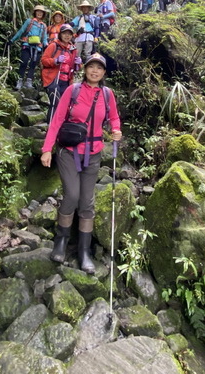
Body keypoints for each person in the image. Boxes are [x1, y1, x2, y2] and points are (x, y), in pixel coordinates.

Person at [40, 53, 122, 274]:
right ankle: (61, 241)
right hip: (69, 152)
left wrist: (116, 130)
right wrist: (47, 149)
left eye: (99, 68)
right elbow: (57, 119)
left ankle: (84, 251)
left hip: (93, 153)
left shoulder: (107, 94)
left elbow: (114, 117)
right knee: (73, 196)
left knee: (87, 202)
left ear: (104, 73)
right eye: (91, 67)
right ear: (85, 70)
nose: (95, 71)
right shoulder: (72, 90)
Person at [41, 24, 82, 122]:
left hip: (66, 81)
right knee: (55, 102)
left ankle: (59, 129)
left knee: (63, 106)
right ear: (60, 34)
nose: (67, 36)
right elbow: (43, 60)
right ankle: (50, 128)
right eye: (65, 33)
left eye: (69, 34)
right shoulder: (53, 45)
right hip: (53, 78)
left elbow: (74, 68)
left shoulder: (73, 49)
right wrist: (55, 61)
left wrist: (78, 64)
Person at [11, 5, 48, 90]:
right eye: (38, 11)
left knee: (33, 64)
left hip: (37, 47)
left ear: (43, 14)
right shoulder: (29, 21)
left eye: (41, 12)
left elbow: (45, 38)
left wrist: (47, 46)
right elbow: (21, 31)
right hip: (27, 45)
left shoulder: (43, 26)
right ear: (35, 12)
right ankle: (19, 81)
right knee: (23, 62)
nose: (39, 13)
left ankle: (29, 82)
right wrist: (12, 40)